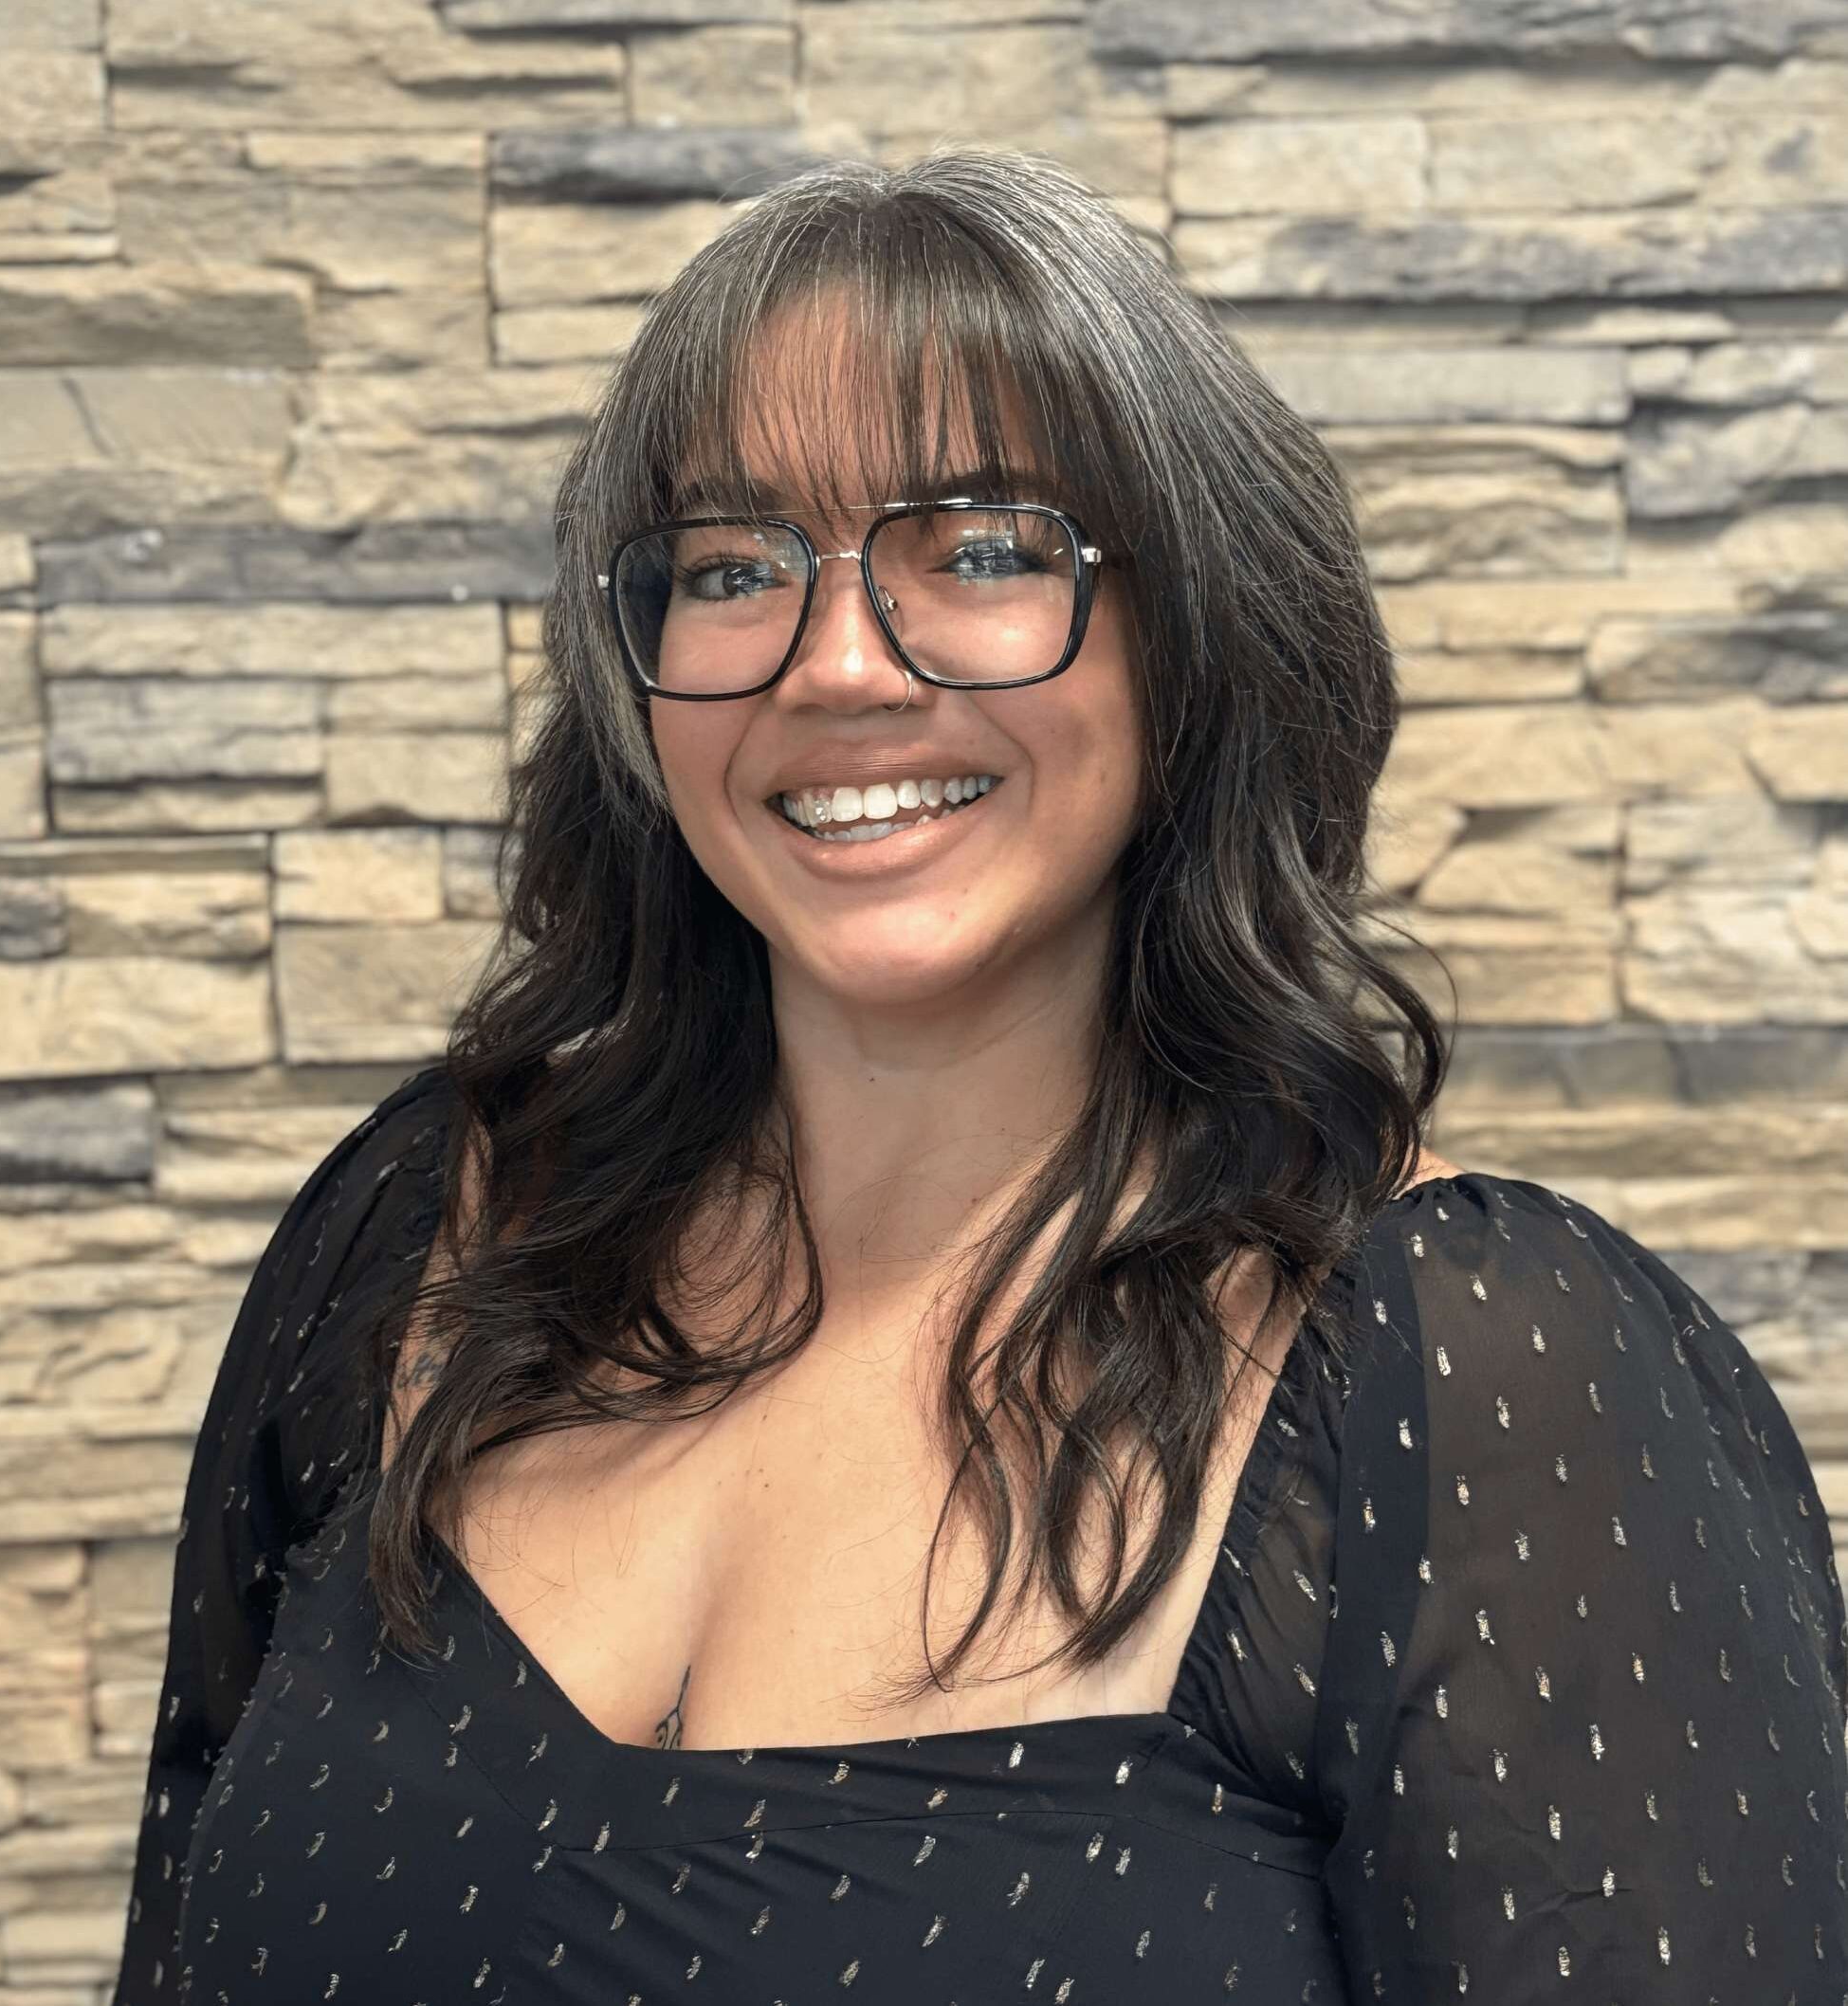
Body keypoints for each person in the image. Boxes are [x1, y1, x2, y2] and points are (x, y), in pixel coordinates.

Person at [112, 149, 1848, 2004]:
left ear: (1193, 631)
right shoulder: (422, 1233)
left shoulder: (1481, 1376)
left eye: (988, 549)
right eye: (730, 564)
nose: (840, 663)